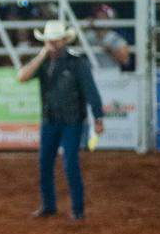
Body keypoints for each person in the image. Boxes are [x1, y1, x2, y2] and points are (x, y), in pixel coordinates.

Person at [17, 20, 104, 221]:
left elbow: (91, 91)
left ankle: (78, 209)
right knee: (45, 162)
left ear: (64, 41)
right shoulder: (44, 62)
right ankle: (49, 206)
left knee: (70, 163)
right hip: (51, 120)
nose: (52, 45)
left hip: (72, 121)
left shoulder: (77, 63)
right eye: (49, 41)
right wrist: (41, 55)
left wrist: (98, 117)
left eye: (55, 41)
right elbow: (22, 76)